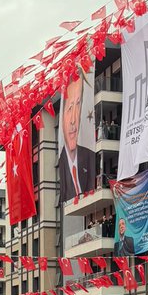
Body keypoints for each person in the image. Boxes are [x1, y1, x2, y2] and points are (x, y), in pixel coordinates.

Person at [58, 73, 96, 201]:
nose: (74, 119)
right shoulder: (61, 162)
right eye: (69, 108)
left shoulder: (90, 156)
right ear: (62, 117)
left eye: (78, 105)